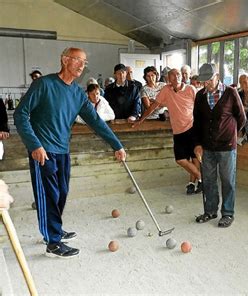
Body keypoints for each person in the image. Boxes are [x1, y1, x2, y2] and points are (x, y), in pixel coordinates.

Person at [14, 47, 126, 259]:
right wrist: (34, 145)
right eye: (77, 60)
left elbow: (95, 121)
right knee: (49, 196)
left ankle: (54, 229)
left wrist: (116, 145)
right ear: (65, 60)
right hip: (43, 150)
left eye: (84, 62)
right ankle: (53, 243)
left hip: (63, 151)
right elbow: (21, 115)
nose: (82, 65)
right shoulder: (44, 84)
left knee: (62, 193)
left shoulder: (77, 93)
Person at [193, 63, 246, 228]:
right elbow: (197, 123)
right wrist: (197, 144)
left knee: (227, 181)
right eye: (203, 81)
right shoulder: (200, 96)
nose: (205, 84)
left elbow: (241, 118)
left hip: (227, 147)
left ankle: (228, 214)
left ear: (217, 76)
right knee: (208, 181)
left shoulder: (231, 92)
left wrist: (231, 135)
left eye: (208, 80)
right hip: (207, 147)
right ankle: (210, 211)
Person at [134, 68, 202, 195]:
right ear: (167, 79)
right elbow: (153, 106)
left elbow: (200, 107)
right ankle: (202, 179)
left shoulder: (190, 89)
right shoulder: (166, 90)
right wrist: (141, 119)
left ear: (182, 77)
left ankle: (192, 184)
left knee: (195, 158)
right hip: (178, 131)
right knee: (180, 159)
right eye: (172, 75)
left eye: (178, 75)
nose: (176, 77)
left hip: (192, 128)